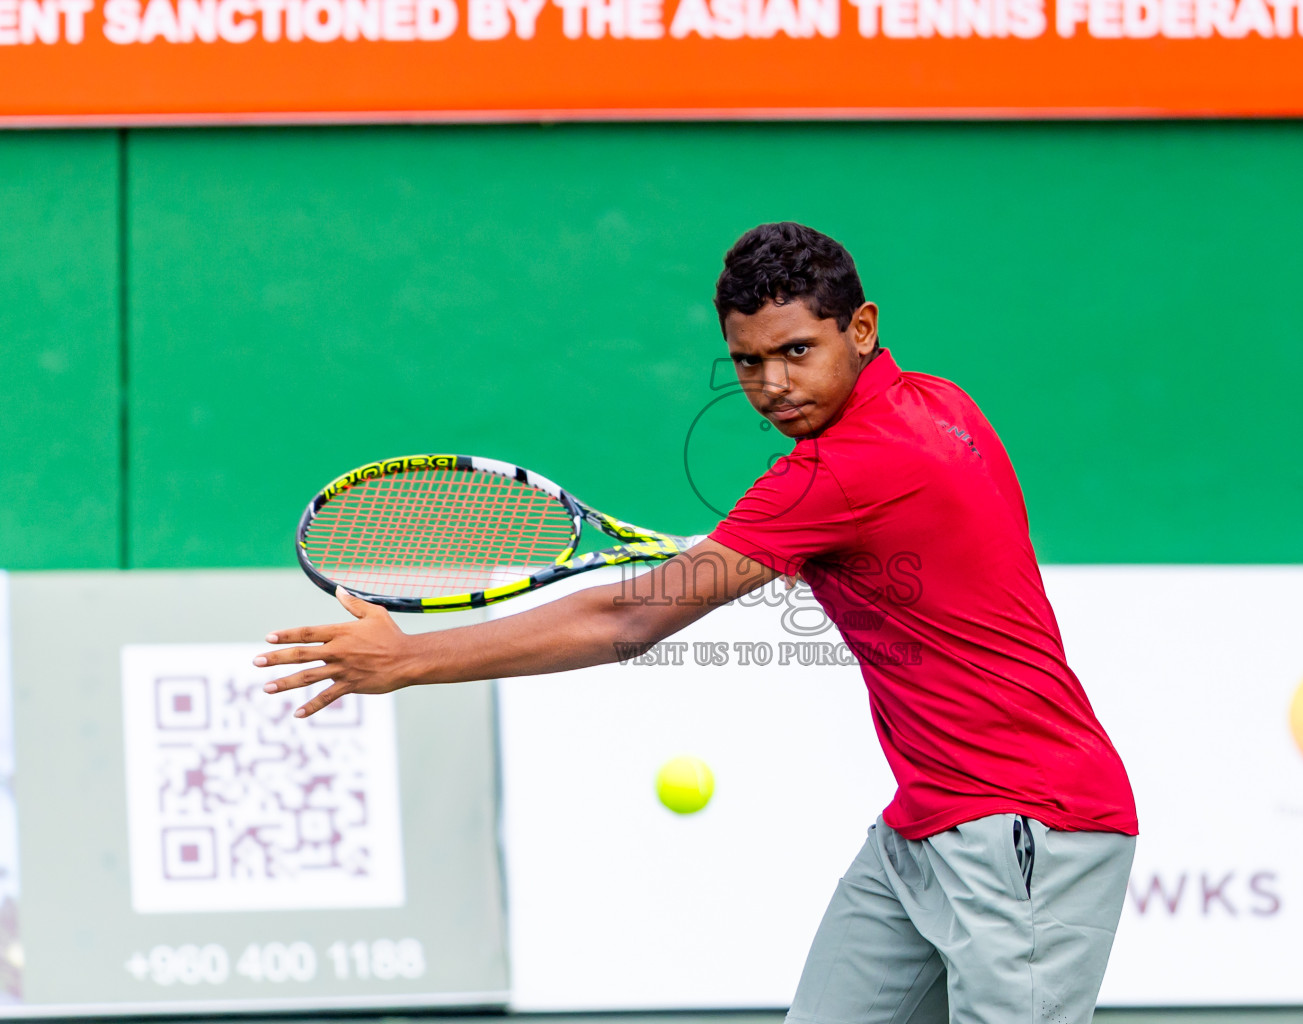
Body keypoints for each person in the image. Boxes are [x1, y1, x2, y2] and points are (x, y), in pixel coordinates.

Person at [257, 222, 1138, 1024]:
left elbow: (626, 619)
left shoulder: (834, 475)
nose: (774, 385)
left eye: (797, 351)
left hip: (1028, 828)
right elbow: (898, 557)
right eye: (748, 361)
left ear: (860, 329)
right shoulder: (939, 404)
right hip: (925, 824)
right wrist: (749, 550)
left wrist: (409, 661)